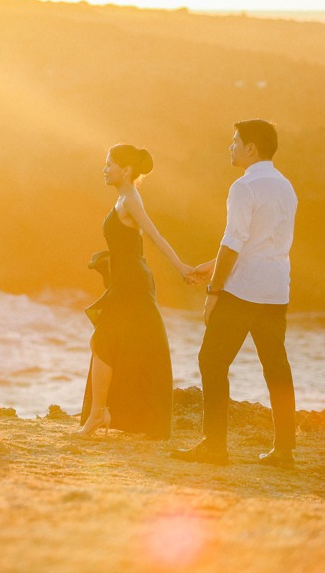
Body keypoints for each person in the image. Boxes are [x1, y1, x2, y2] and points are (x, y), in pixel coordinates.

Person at [173, 119, 298, 467]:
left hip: (242, 290)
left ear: (251, 149)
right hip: (276, 291)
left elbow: (234, 241)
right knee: (277, 369)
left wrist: (213, 292)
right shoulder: (286, 187)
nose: (230, 148)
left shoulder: (244, 187)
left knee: (211, 361)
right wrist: (211, 266)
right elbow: (259, 241)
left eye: (234, 142)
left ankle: (214, 447)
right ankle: (284, 452)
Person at [77, 145, 195, 439]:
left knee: (103, 339)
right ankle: (106, 413)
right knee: (123, 343)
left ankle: (99, 414)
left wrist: (181, 267)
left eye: (109, 164)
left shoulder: (130, 199)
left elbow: (154, 237)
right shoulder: (123, 198)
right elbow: (127, 244)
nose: (104, 169)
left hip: (132, 282)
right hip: (127, 278)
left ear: (126, 170)